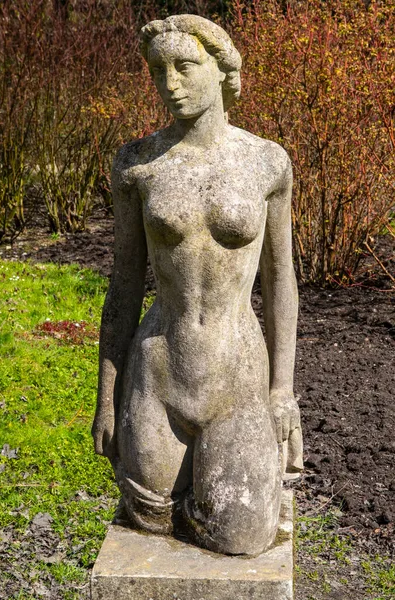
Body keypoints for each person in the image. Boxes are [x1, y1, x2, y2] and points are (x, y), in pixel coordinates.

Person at [92, 14, 302, 556]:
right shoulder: (138, 164)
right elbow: (123, 287)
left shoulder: (264, 162)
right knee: (150, 520)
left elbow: (281, 283)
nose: (170, 83)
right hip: (157, 373)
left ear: (221, 68)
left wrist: (282, 391)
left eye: (185, 66)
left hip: (238, 374)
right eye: (160, 70)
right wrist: (108, 400)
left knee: (240, 535)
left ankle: (242, 477)